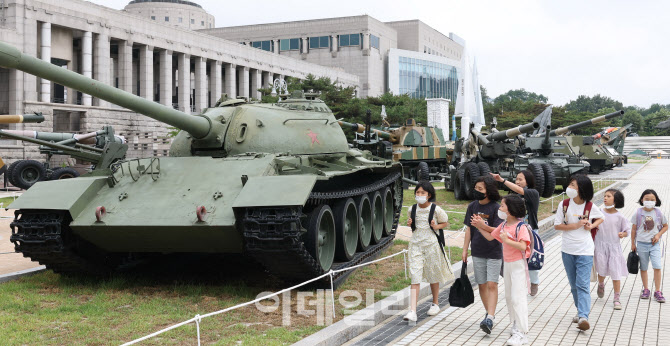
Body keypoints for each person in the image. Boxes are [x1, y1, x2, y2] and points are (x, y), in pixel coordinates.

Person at [477, 194, 532, 345]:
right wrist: (479, 226)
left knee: (517, 298)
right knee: (509, 298)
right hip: (507, 265)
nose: (499, 208)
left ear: (511, 210)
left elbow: (522, 246)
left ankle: (522, 333)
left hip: (518, 266)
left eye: (502, 206)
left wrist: (507, 240)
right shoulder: (503, 225)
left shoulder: (520, 227)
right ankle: (515, 326)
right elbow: (490, 237)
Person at [554, 175, 603, 331]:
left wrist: (591, 225)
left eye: (573, 185)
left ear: (582, 189)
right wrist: (575, 226)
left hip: (585, 250)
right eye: (570, 184)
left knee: (582, 284)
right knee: (574, 285)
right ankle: (580, 310)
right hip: (567, 250)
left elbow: (601, 217)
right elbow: (557, 226)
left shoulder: (589, 206)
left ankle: (583, 316)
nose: (570, 187)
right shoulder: (564, 204)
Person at [403, 181, 452, 323]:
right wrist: (409, 223)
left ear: (429, 195)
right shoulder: (411, 209)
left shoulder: (436, 209)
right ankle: (412, 310)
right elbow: (412, 224)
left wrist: (436, 226)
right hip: (416, 245)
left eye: (422, 193)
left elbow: (445, 222)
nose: (419, 195)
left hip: (432, 244)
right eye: (417, 192)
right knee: (415, 275)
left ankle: (435, 303)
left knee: (433, 273)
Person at [463, 176, 503, 334]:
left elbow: (497, 232)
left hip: (494, 252)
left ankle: (491, 317)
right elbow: (468, 229)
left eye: (481, 189)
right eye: (476, 188)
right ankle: (489, 314)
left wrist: (481, 225)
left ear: (489, 190)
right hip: (477, 250)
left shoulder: (496, 208)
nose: (477, 191)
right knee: (481, 284)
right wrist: (465, 249)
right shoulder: (472, 206)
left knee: (492, 284)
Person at [491, 170, 541, 296]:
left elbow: (520, 191)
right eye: (516, 179)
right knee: (513, 257)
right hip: (513, 230)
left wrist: (502, 180)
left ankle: (534, 281)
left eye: (521, 179)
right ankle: (516, 282)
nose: (518, 182)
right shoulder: (514, 197)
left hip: (529, 230)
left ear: (528, 181)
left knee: (531, 258)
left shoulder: (533, 193)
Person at [594, 189, 629, 310]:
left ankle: (616, 298)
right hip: (600, 246)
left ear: (616, 200)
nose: (605, 198)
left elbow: (627, 231)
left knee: (616, 272)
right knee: (601, 270)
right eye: (604, 196)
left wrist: (622, 234)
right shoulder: (598, 212)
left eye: (608, 196)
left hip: (614, 248)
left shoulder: (620, 216)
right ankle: (601, 284)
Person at [631, 189, 668, 303]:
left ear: (656, 201)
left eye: (652, 200)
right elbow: (633, 229)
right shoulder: (638, 213)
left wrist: (658, 235)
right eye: (647, 199)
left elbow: (666, 226)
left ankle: (658, 291)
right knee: (644, 267)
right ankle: (646, 289)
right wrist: (633, 243)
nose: (649, 201)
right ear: (642, 200)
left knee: (657, 266)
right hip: (641, 244)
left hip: (654, 245)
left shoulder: (658, 213)